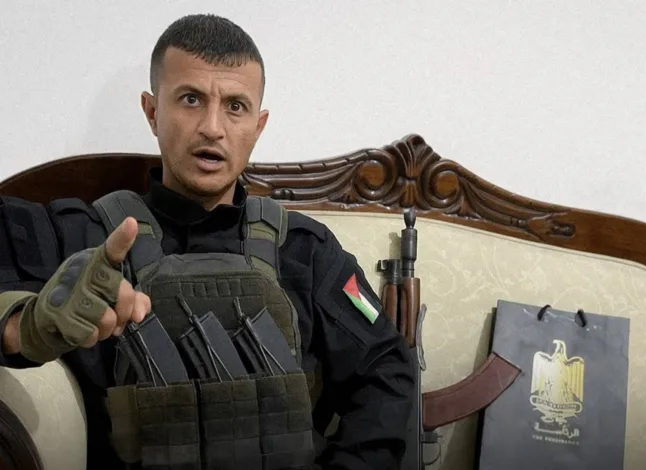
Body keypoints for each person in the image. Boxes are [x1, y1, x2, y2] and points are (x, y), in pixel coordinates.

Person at [0, 13, 414, 470]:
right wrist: (22, 327)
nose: (212, 127)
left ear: (258, 126)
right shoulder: (83, 235)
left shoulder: (306, 252)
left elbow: (386, 372)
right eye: (191, 99)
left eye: (235, 106)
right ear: (152, 111)